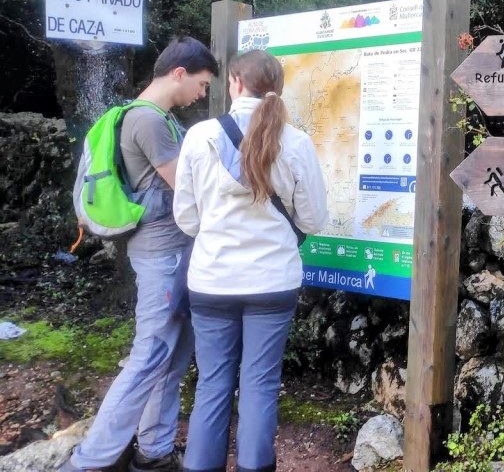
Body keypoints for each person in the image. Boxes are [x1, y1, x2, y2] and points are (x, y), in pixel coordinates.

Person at [62, 37, 218, 472]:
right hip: (162, 257)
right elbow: (188, 189)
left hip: (171, 254)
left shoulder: (154, 118)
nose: (201, 95)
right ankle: (88, 462)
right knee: (149, 355)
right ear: (179, 73)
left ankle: (154, 451)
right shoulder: (149, 122)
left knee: (170, 357)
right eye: (202, 85)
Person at [172, 49, 327, 472]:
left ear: (235, 82)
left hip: (210, 282)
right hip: (272, 283)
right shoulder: (294, 142)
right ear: (276, 88)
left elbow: (186, 220)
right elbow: (313, 218)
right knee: (259, 384)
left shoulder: (199, 136)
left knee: (212, 384)